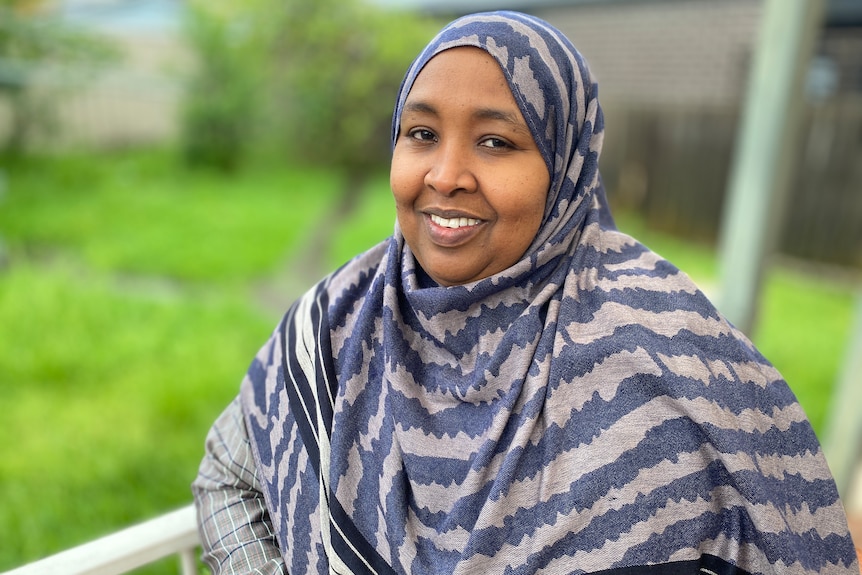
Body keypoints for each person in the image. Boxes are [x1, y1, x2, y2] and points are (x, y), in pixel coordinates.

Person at [192, 10, 861, 575]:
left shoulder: (662, 360)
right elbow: (228, 471)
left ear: (564, 166)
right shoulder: (338, 321)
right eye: (421, 133)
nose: (446, 174)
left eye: (495, 141)